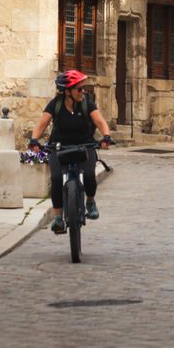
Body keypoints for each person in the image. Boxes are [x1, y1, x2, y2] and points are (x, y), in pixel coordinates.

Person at [29, 69, 113, 234]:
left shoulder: (87, 103)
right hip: (59, 146)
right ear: (68, 91)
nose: (83, 92)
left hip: (85, 145)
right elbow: (42, 123)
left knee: (89, 174)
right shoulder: (56, 104)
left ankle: (90, 201)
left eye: (84, 88)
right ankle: (59, 218)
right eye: (79, 89)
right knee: (56, 177)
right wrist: (34, 140)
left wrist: (106, 136)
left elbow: (99, 121)